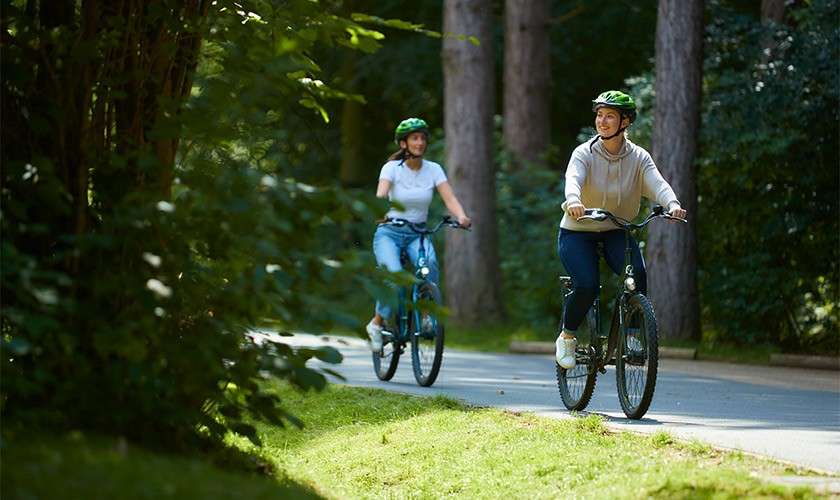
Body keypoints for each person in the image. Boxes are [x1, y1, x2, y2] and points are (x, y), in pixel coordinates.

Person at [555, 91, 687, 369]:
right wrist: (574, 200)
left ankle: (632, 335)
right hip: (578, 230)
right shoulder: (584, 153)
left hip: (616, 229)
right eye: (599, 115)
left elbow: (658, 184)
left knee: (637, 273)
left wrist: (672, 203)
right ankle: (567, 335)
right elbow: (573, 180)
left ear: (625, 121)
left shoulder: (639, 157)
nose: (602, 121)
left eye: (609, 116)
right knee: (587, 285)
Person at [366, 117, 472, 352]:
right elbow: (381, 194)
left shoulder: (433, 169)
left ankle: (426, 317)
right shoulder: (391, 168)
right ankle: (376, 323)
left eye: (423, 138)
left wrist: (461, 216)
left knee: (430, 267)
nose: (420, 142)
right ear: (403, 143)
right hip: (390, 232)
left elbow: (449, 198)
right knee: (393, 278)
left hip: (418, 233)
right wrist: (378, 210)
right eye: (415, 138)